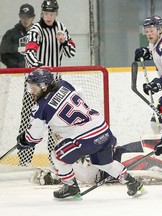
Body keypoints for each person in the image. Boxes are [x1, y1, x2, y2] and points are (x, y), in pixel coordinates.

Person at [15, 68, 145, 199]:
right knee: (104, 164)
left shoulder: (40, 107)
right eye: (29, 87)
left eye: (34, 88)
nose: (31, 92)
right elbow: (79, 94)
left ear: (44, 86)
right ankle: (132, 182)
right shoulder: (63, 84)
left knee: (57, 155)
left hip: (87, 139)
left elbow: (33, 138)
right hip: (103, 129)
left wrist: (23, 141)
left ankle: (70, 186)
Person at [18, 0, 76, 166]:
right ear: (42, 13)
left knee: (56, 122)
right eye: (46, 14)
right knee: (29, 120)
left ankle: (54, 158)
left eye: (52, 14)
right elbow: (29, 51)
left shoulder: (61, 28)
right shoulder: (36, 29)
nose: (49, 17)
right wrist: (40, 67)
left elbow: (71, 52)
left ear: (56, 14)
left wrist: (64, 41)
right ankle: (25, 160)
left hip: (55, 84)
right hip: (35, 84)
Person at [0, 4, 35, 68]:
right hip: (15, 74)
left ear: (33, 17)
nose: (25, 20)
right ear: (19, 16)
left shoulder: (39, 33)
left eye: (28, 17)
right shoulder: (10, 34)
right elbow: (3, 55)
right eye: (23, 17)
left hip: (36, 72)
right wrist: (18, 65)